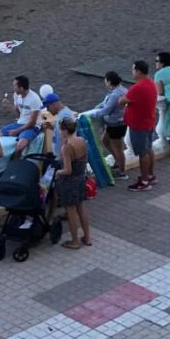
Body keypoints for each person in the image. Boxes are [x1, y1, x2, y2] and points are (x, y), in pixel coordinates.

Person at [54, 117, 92, 249]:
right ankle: (87, 237)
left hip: (70, 182)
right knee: (81, 208)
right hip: (81, 178)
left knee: (71, 212)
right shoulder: (80, 141)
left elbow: (68, 170)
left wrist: (58, 172)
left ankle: (75, 241)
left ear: (64, 130)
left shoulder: (67, 147)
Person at [122, 60, 159, 191]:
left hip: (139, 125)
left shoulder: (137, 88)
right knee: (149, 150)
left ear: (138, 71)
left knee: (143, 153)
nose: (132, 72)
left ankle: (144, 181)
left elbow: (122, 101)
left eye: (133, 70)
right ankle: (150, 175)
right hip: (149, 122)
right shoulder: (151, 84)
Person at [84, 72, 128, 175]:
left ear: (109, 81)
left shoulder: (114, 94)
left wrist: (91, 115)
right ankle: (118, 163)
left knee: (118, 148)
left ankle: (122, 171)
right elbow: (105, 104)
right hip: (118, 123)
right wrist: (98, 107)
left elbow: (106, 110)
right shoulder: (122, 90)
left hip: (116, 124)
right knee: (105, 141)